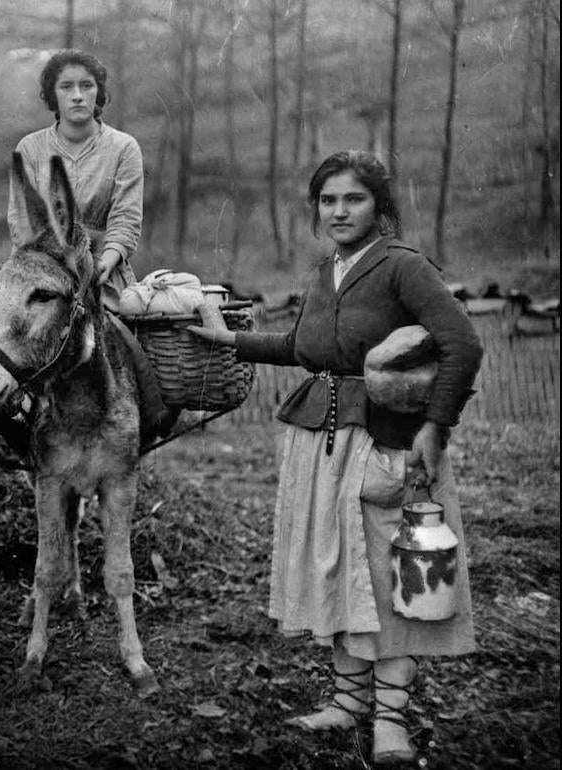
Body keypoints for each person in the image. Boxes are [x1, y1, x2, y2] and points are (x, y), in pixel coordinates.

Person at [188, 150, 482, 765]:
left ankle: (392, 721)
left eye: (354, 199)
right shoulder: (327, 272)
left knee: (386, 575)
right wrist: (229, 339)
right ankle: (349, 701)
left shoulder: (402, 267)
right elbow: (302, 347)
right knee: (338, 569)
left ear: (379, 207)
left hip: (386, 441)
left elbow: (462, 343)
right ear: (317, 210)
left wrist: (435, 427)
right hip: (320, 440)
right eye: (329, 200)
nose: (340, 211)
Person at [7, 49, 143, 309]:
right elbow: (20, 221)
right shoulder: (30, 149)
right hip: (40, 271)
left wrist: (105, 260)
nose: (78, 96)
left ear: (98, 93)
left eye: (87, 86)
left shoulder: (124, 148)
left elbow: (126, 220)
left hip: (103, 274)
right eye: (66, 87)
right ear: (52, 95)